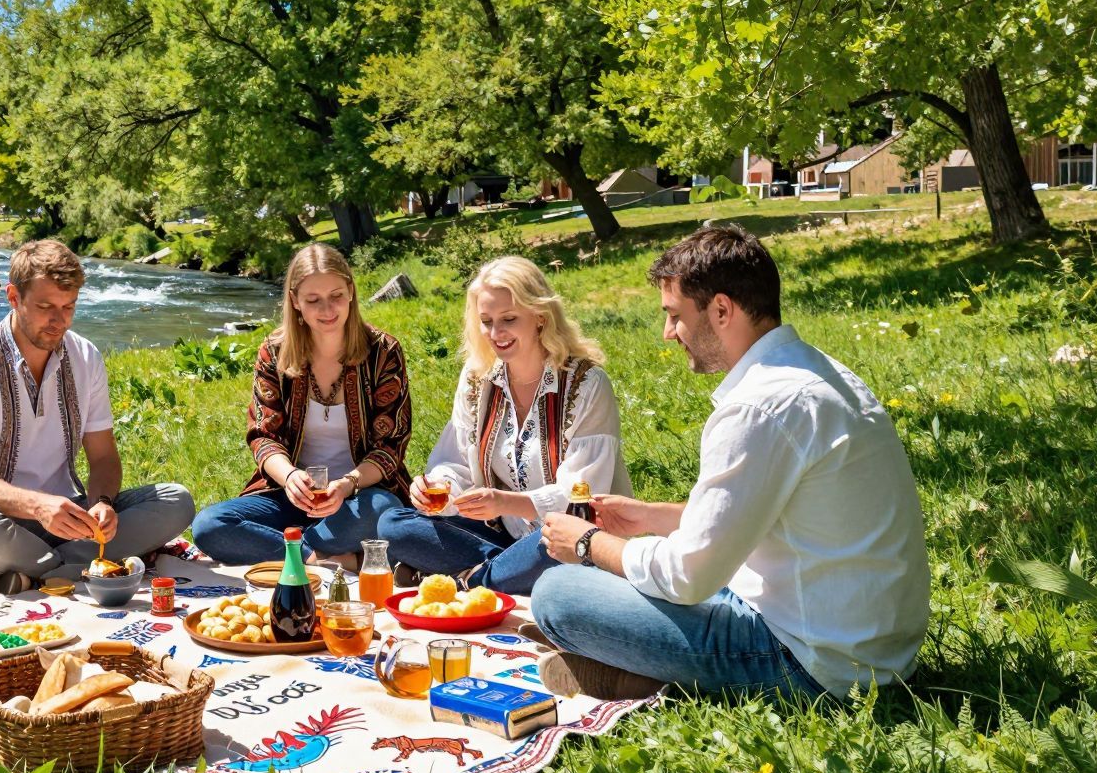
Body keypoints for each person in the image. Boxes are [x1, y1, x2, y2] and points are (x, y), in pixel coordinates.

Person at [530, 224, 930, 701]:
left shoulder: (758, 407)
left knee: (558, 593)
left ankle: (642, 673)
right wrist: (652, 518)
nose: (668, 334)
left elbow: (688, 576)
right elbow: (769, 517)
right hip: (873, 650)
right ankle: (634, 668)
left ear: (721, 310)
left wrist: (588, 542)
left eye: (675, 316)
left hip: (814, 664)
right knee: (619, 575)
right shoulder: (816, 374)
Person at [0, 239, 195, 592]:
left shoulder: (85, 357)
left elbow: (103, 458)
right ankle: (87, 569)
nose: (59, 321)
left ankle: (39, 573)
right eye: (45, 307)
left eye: (69, 307)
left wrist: (102, 503)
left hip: (68, 518)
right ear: (13, 297)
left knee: (176, 500)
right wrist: (37, 506)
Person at [377, 256, 629, 594]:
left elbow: (582, 498)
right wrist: (437, 487)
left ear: (540, 316)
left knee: (554, 544)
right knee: (394, 524)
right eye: (486, 321)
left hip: (566, 541)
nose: (496, 334)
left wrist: (505, 502)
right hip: (501, 537)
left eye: (509, 319)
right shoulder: (477, 378)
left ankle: (472, 580)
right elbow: (456, 463)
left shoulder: (586, 384)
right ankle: (504, 573)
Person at [189, 243, 411, 568]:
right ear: (295, 301)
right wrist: (290, 477)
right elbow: (264, 435)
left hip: (360, 495)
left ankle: (290, 548)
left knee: (383, 511)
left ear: (351, 291)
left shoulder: (383, 352)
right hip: (292, 495)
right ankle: (322, 556)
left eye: (336, 295)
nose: (327, 309)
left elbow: (391, 445)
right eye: (313, 300)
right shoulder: (274, 352)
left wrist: (346, 484)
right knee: (209, 526)